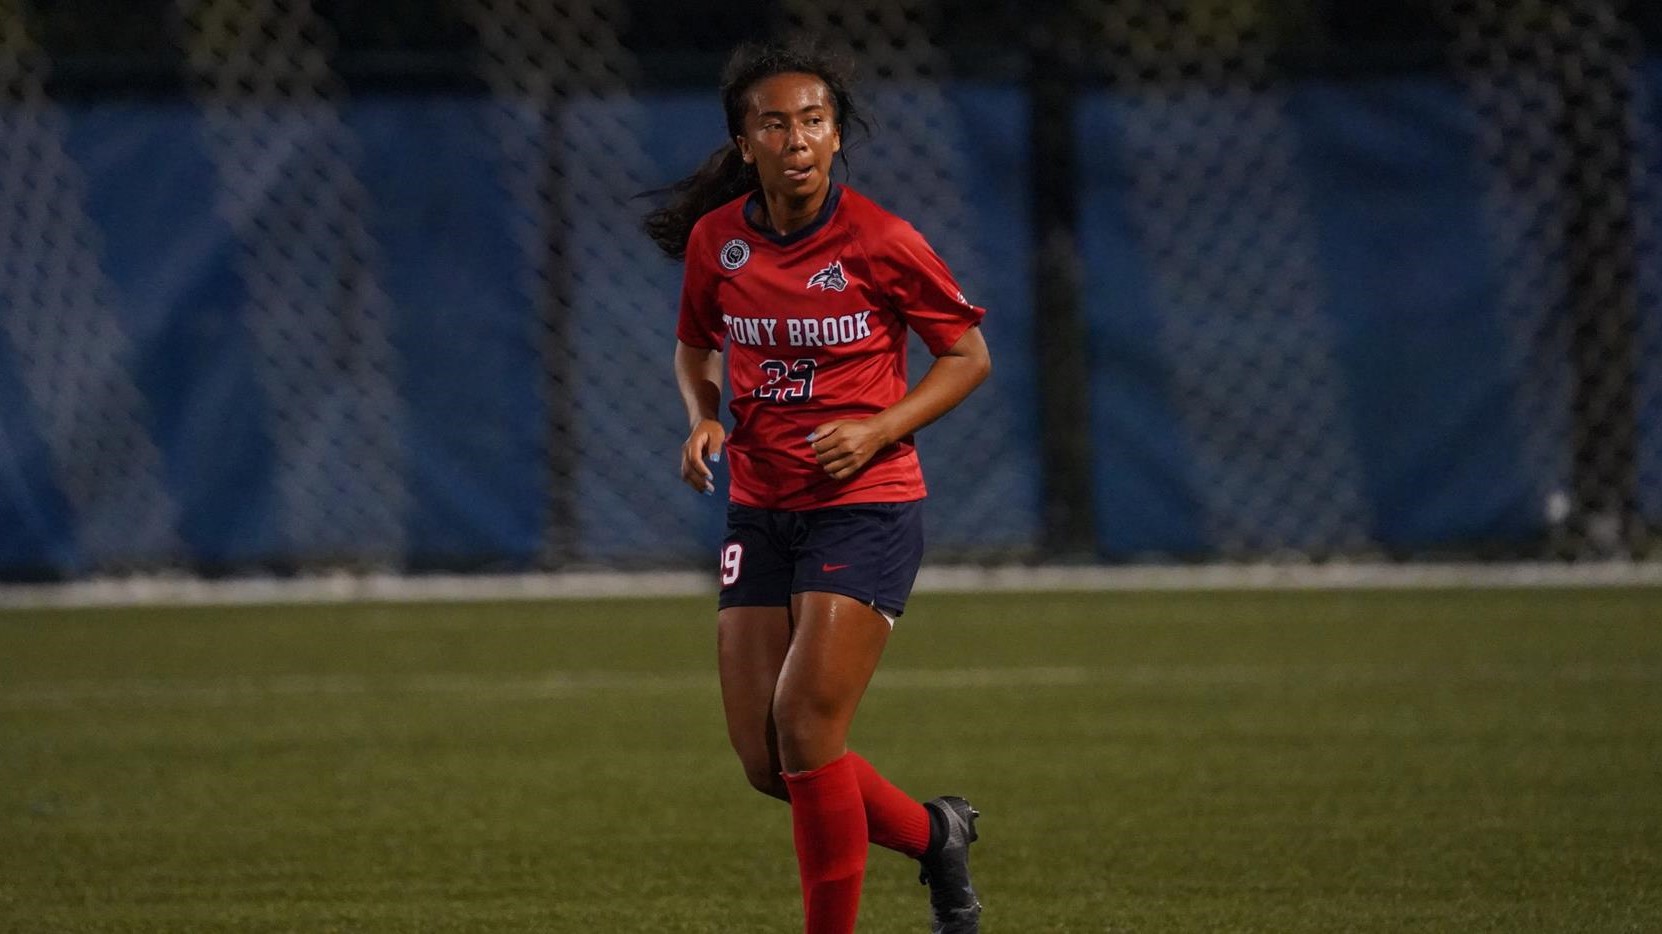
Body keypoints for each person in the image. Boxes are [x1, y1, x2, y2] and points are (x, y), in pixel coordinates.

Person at [645, 38, 990, 934]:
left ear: (837, 138)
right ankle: (934, 833)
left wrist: (879, 427)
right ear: (745, 141)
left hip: (864, 507)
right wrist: (705, 412)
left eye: (815, 120)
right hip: (759, 508)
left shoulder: (881, 239)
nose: (797, 137)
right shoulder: (717, 243)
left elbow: (968, 355)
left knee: (803, 728)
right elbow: (694, 344)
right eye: (776, 122)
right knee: (767, 761)